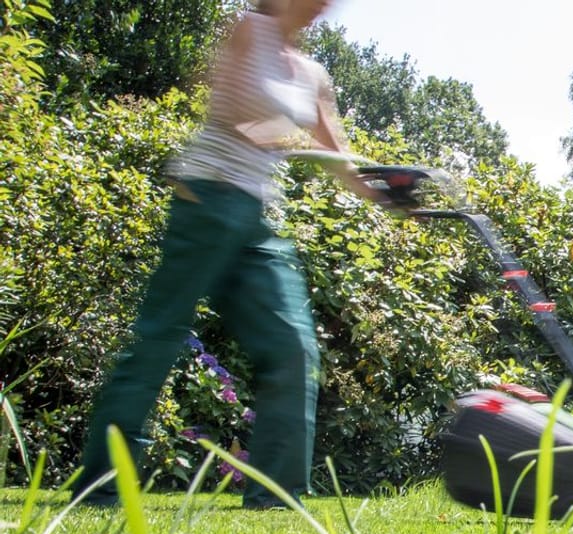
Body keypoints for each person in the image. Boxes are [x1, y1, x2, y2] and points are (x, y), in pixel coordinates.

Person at [74, 0, 382, 508]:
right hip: (207, 197)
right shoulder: (249, 31)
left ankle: (276, 495)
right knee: (160, 335)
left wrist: (384, 190)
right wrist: (289, 140)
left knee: (292, 346)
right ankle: (103, 480)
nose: (320, 7)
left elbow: (338, 154)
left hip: (256, 217)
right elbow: (235, 113)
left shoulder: (313, 72)